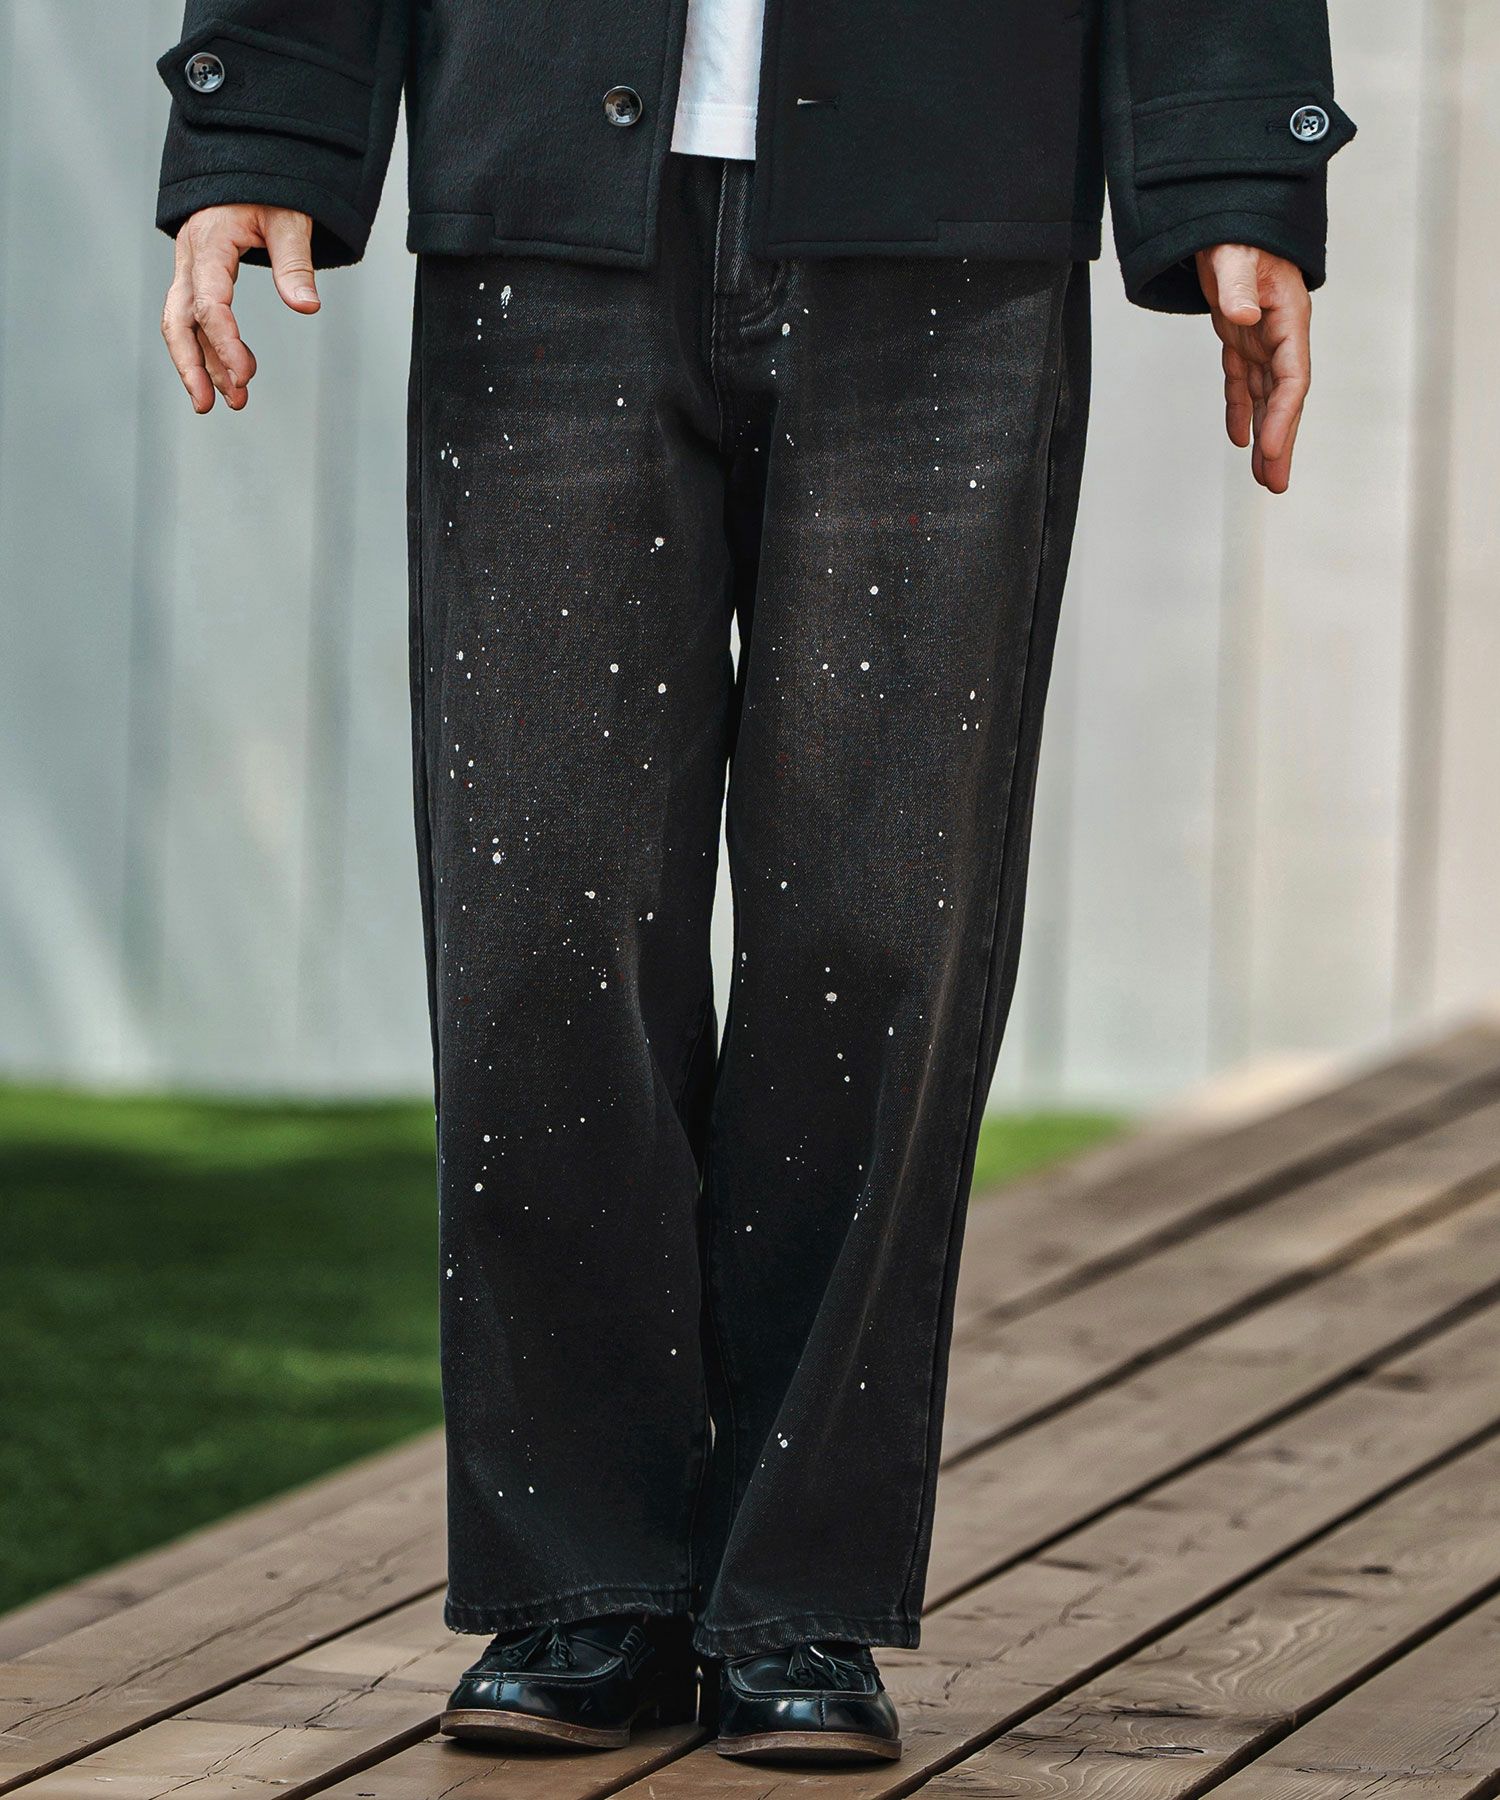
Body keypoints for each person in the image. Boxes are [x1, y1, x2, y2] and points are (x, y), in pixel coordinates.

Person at [154, 0, 1354, 1766]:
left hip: (945, 203)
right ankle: (583, 1580)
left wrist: (1236, 161)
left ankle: (799, 1596)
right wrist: (262, 119)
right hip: (550, 203)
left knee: (882, 923)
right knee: (540, 920)